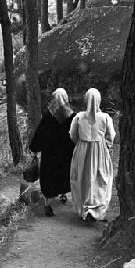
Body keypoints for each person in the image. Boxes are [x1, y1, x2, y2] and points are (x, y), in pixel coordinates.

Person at [69, 88, 116, 222]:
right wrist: (106, 145)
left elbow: (73, 135)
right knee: (100, 178)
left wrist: (81, 144)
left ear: (85, 100)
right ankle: (97, 210)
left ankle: (84, 209)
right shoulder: (105, 117)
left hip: (82, 151)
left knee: (82, 178)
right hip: (100, 151)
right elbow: (111, 135)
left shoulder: (78, 117)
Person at [30, 88, 76, 216]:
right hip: (66, 153)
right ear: (66, 98)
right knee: (63, 174)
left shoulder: (48, 115)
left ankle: (48, 204)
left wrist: (34, 148)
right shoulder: (72, 115)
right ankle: (62, 194)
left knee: (50, 177)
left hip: (50, 154)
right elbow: (75, 134)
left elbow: (40, 133)